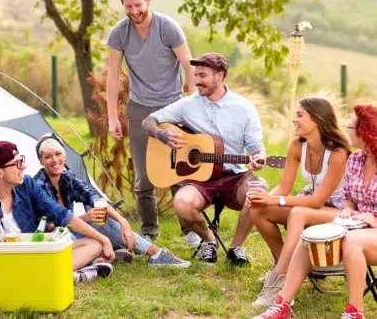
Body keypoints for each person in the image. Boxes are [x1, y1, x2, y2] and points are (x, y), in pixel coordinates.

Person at [252, 102, 377, 319]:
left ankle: (355, 312)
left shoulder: (340, 153)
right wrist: (348, 210)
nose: (347, 130)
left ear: (365, 132)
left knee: (352, 240)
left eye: (351, 127)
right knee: (307, 240)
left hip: (370, 229)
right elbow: (348, 197)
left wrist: (372, 219)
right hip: (355, 223)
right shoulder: (356, 160)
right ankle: (282, 305)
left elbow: (322, 199)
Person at [142, 52, 266, 266]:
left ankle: (236, 249)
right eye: (195, 75)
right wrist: (161, 135)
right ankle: (209, 242)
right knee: (181, 202)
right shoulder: (187, 105)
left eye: (203, 75)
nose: (197, 81)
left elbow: (255, 145)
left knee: (259, 189)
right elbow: (148, 121)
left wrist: (259, 156)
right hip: (201, 178)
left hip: (235, 176)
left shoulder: (244, 108)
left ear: (219, 76)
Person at [106, 0, 197, 245]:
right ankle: (148, 233)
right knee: (143, 177)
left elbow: (189, 66)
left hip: (171, 108)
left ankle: (190, 231)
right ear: (123, 5)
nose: (134, 11)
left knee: (176, 173)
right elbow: (112, 75)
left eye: (138, 5)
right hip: (139, 109)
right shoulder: (119, 33)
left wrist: (189, 107)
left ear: (148, 0)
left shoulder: (168, 28)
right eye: (128, 6)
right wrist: (113, 116)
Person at [0, 141, 116, 284]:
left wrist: (104, 240)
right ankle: (72, 274)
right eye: (17, 163)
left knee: (94, 244)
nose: (24, 166)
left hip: (38, 251)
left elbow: (62, 214)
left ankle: (59, 275)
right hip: (9, 262)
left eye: (22, 160)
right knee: (12, 270)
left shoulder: (26, 184)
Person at [33, 133, 191, 268]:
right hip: (53, 237)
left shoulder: (67, 178)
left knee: (102, 216)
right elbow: (43, 227)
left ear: (64, 155)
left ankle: (148, 252)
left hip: (73, 232)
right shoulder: (38, 186)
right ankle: (112, 254)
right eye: (48, 157)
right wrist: (84, 218)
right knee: (84, 228)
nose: (55, 160)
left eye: (58, 154)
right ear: (41, 161)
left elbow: (95, 199)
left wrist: (124, 222)